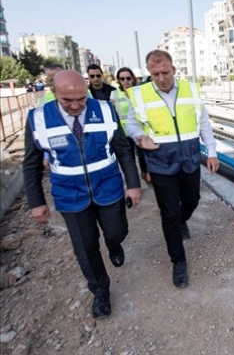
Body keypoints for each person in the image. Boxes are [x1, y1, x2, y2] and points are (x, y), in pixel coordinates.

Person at [22, 70, 142, 319]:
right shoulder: (38, 118)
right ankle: (100, 292)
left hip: (108, 187)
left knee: (117, 231)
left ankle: (113, 245)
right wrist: (37, 202)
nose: (76, 105)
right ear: (54, 93)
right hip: (69, 195)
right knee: (85, 249)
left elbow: (122, 149)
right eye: (68, 101)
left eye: (81, 99)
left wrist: (133, 183)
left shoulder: (105, 110)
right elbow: (31, 164)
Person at [125, 49, 219, 289]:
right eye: (155, 74)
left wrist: (212, 152)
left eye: (165, 72)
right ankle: (178, 261)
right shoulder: (140, 95)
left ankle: (182, 220)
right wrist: (140, 137)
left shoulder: (190, 90)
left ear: (174, 70)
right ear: (149, 73)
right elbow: (131, 125)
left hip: (189, 160)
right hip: (160, 163)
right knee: (169, 213)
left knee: (193, 201)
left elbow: (204, 123)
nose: (161, 78)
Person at [110, 67, 151, 183]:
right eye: (122, 79)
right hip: (123, 132)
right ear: (118, 80)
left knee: (143, 156)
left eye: (128, 78)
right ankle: (134, 181)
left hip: (139, 129)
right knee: (129, 158)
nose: (125, 81)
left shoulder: (139, 93)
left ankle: (145, 173)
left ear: (132, 78)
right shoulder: (114, 94)